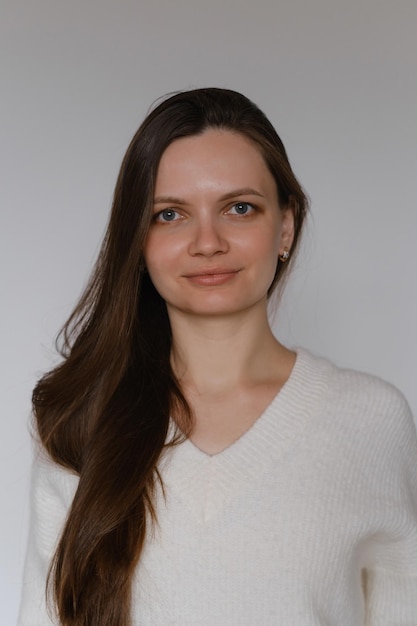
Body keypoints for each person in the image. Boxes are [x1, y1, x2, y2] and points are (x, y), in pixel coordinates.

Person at [18, 88, 417, 626]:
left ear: (285, 226)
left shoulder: (372, 420)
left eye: (239, 208)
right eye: (170, 215)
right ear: (138, 242)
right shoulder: (81, 419)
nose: (207, 242)